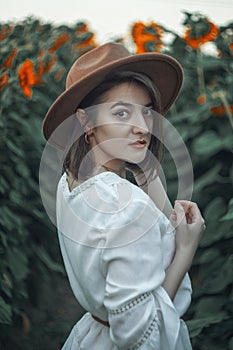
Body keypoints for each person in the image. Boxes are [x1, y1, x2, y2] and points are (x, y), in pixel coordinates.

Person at [42, 42, 206, 350]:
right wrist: (186, 249)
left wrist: (146, 170)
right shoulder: (127, 206)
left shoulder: (72, 182)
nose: (143, 127)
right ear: (86, 122)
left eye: (146, 111)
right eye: (121, 113)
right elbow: (140, 333)